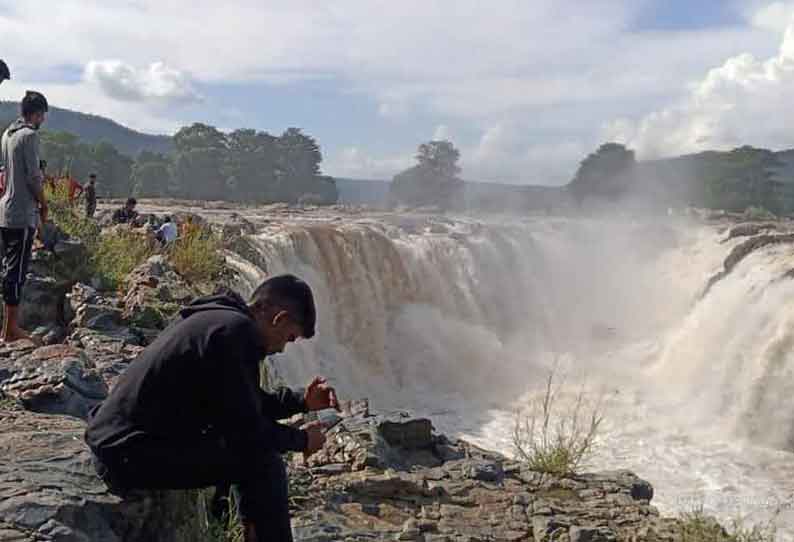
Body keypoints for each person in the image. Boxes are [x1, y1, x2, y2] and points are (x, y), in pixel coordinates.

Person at [85, 275, 336, 542]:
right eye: (289, 338)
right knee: (263, 463)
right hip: (128, 454)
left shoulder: (216, 320)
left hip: (120, 441)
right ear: (280, 319)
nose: (283, 348)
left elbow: (244, 403)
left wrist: (301, 402)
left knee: (236, 449)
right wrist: (303, 440)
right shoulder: (235, 333)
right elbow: (248, 432)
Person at [0, 91, 49, 343]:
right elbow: (33, 177)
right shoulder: (29, 136)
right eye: (43, 115)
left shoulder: (7, 135)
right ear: (38, 113)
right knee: (16, 273)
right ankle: (11, 330)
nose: (44, 120)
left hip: (5, 212)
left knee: (8, 270)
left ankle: (7, 328)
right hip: (21, 214)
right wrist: (44, 204)